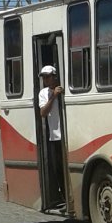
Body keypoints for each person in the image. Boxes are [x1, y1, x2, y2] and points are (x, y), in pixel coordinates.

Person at [38, 65, 65, 206]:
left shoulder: (64, 87)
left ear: (54, 76)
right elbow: (43, 112)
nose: (46, 79)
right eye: (44, 77)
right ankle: (64, 197)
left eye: (48, 76)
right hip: (55, 136)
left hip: (67, 135)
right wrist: (53, 96)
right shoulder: (43, 93)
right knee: (58, 168)